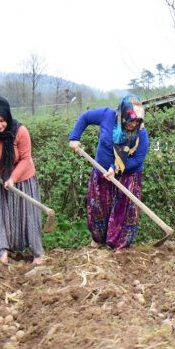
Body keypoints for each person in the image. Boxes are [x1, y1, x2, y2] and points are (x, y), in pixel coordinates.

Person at [68, 95, 149, 251]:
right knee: (98, 208)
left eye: (137, 121)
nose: (133, 124)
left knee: (123, 212)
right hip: (101, 172)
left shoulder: (141, 134)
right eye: (130, 120)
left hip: (128, 176)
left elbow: (138, 160)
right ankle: (98, 241)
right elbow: (85, 118)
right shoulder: (107, 115)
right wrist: (74, 137)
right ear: (121, 115)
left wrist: (116, 168)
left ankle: (120, 247)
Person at [0, 96, 44, 265]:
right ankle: (2, 251)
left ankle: (37, 254)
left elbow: (26, 158)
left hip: (23, 179)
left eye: (2, 120)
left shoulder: (20, 132)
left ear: (8, 116)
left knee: (28, 215)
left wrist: (13, 178)